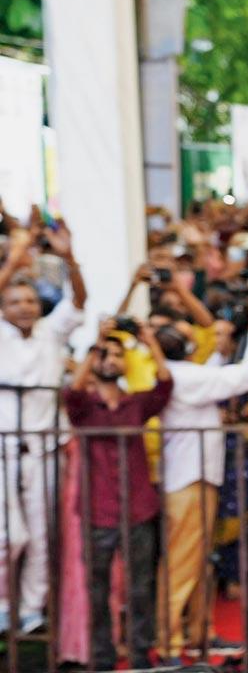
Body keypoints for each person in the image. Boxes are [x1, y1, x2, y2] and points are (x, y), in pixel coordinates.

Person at [155, 294, 248, 662]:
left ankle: (199, 633)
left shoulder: (189, 374)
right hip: (188, 480)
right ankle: (169, 641)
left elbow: (221, 369)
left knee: (201, 560)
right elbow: (247, 375)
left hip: (199, 476)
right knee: (182, 562)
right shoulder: (183, 376)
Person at [63, 320, 172, 670]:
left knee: (141, 588)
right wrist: (95, 345)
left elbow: (165, 383)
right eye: (103, 355)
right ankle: (102, 659)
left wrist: (149, 340)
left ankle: (141, 656)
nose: (109, 359)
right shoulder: (84, 406)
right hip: (98, 509)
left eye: (115, 354)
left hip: (138, 507)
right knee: (97, 592)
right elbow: (73, 392)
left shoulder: (136, 404)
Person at [0, 222, 84, 634]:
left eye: (30, 300)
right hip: (5, 452)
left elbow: (78, 301)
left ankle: (32, 609)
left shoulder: (51, 333)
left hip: (46, 450)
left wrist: (69, 258)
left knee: (43, 536)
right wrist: (14, 261)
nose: (24, 307)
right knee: (8, 537)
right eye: (14, 301)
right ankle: (2, 604)